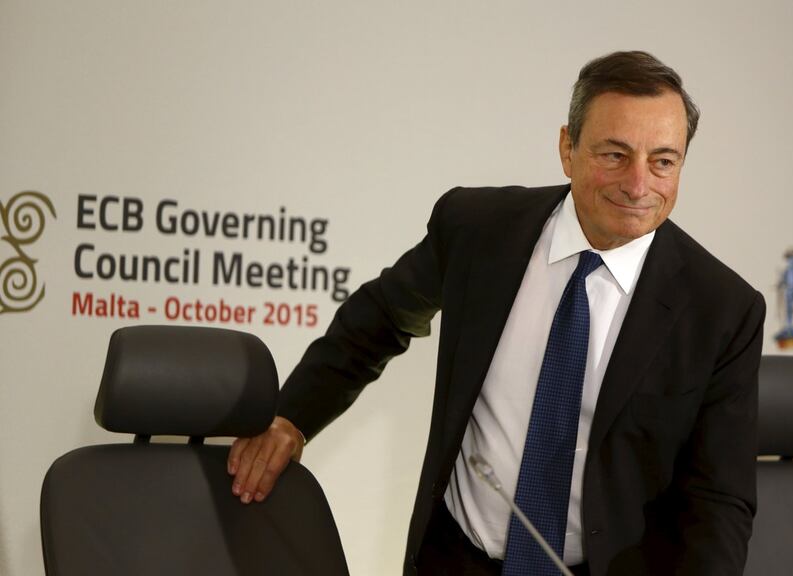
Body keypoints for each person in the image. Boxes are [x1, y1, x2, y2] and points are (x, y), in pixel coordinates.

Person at [227, 50, 765, 576]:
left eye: (663, 161)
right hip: (455, 559)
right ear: (567, 148)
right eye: (614, 155)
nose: (639, 184)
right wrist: (293, 417)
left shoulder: (722, 310)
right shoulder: (479, 230)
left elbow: (717, 499)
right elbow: (383, 316)